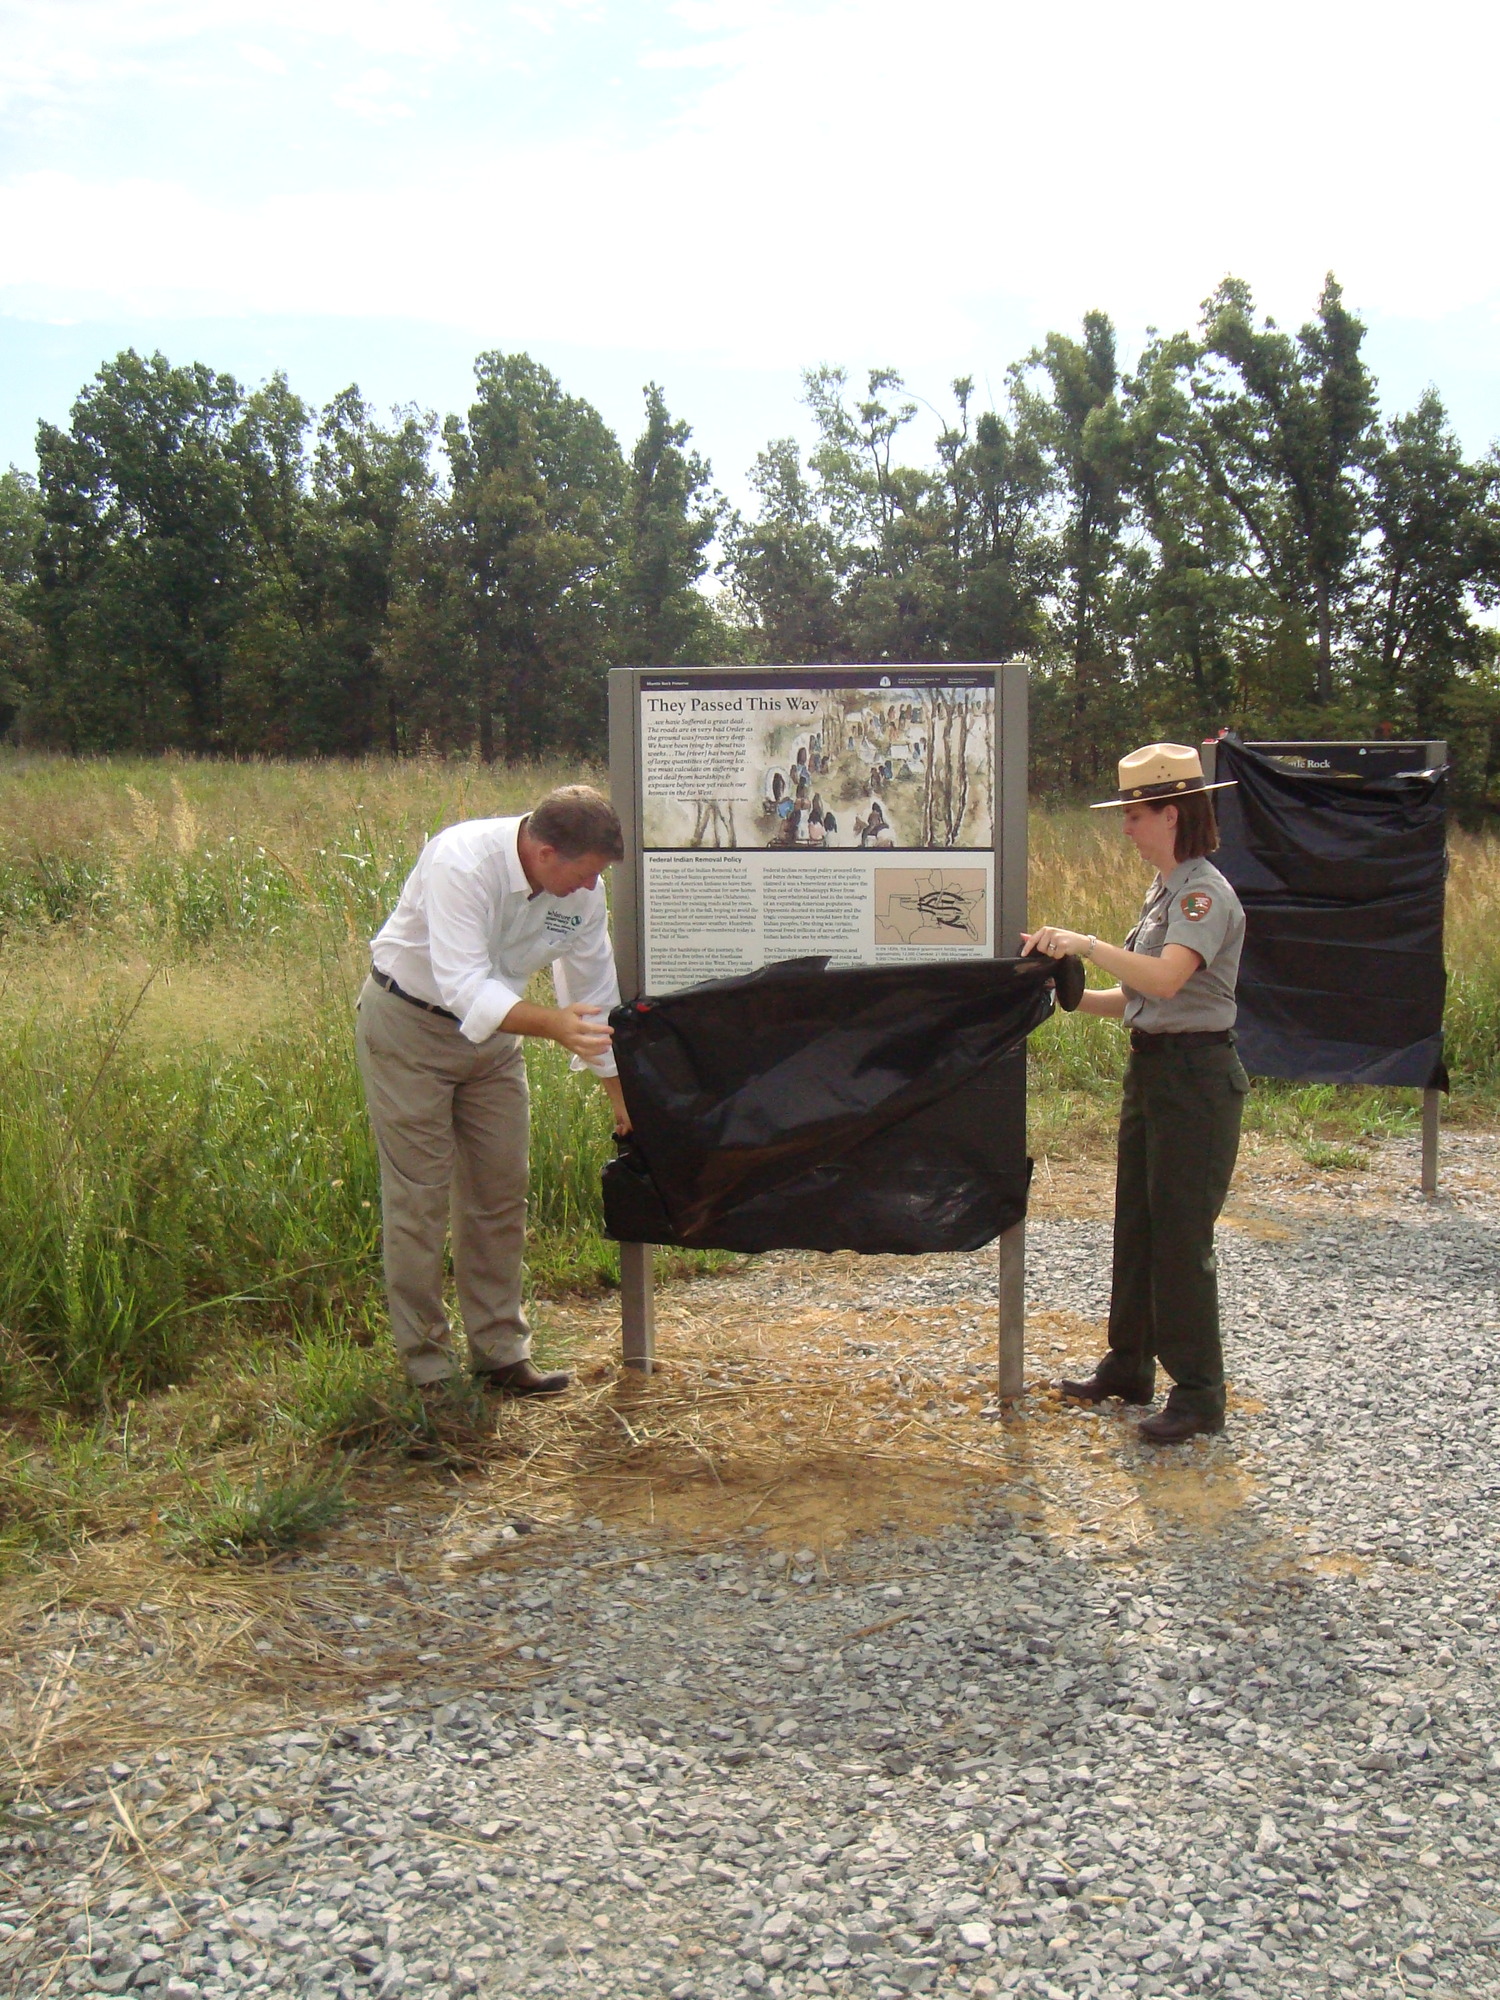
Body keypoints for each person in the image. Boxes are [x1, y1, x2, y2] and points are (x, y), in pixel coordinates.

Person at [356, 785, 629, 1400]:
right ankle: (428, 1367)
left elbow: (593, 992)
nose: (591, 888)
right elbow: (463, 986)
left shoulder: (583, 889)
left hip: (498, 1038)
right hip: (410, 1026)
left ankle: (501, 1353)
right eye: (584, 874)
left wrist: (619, 1097)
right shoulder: (462, 860)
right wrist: (554, 1025)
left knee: (500, 1191)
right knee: (420, 1201)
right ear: (544, 852)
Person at [1022, 743, 1246, 1444]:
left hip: (1196, 1080)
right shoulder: (1167, 890)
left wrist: (1086, 944)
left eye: (1135, 814)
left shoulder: (1204, 894)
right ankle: (1129, 1366)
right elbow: (1137, 998)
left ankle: (1199, 1395)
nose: (1125, 827)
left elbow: (1167, 980)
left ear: (1171, 814)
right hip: (1155, 1071)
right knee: (1138, 1224)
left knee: (1180, 1236)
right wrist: (1070, 992)